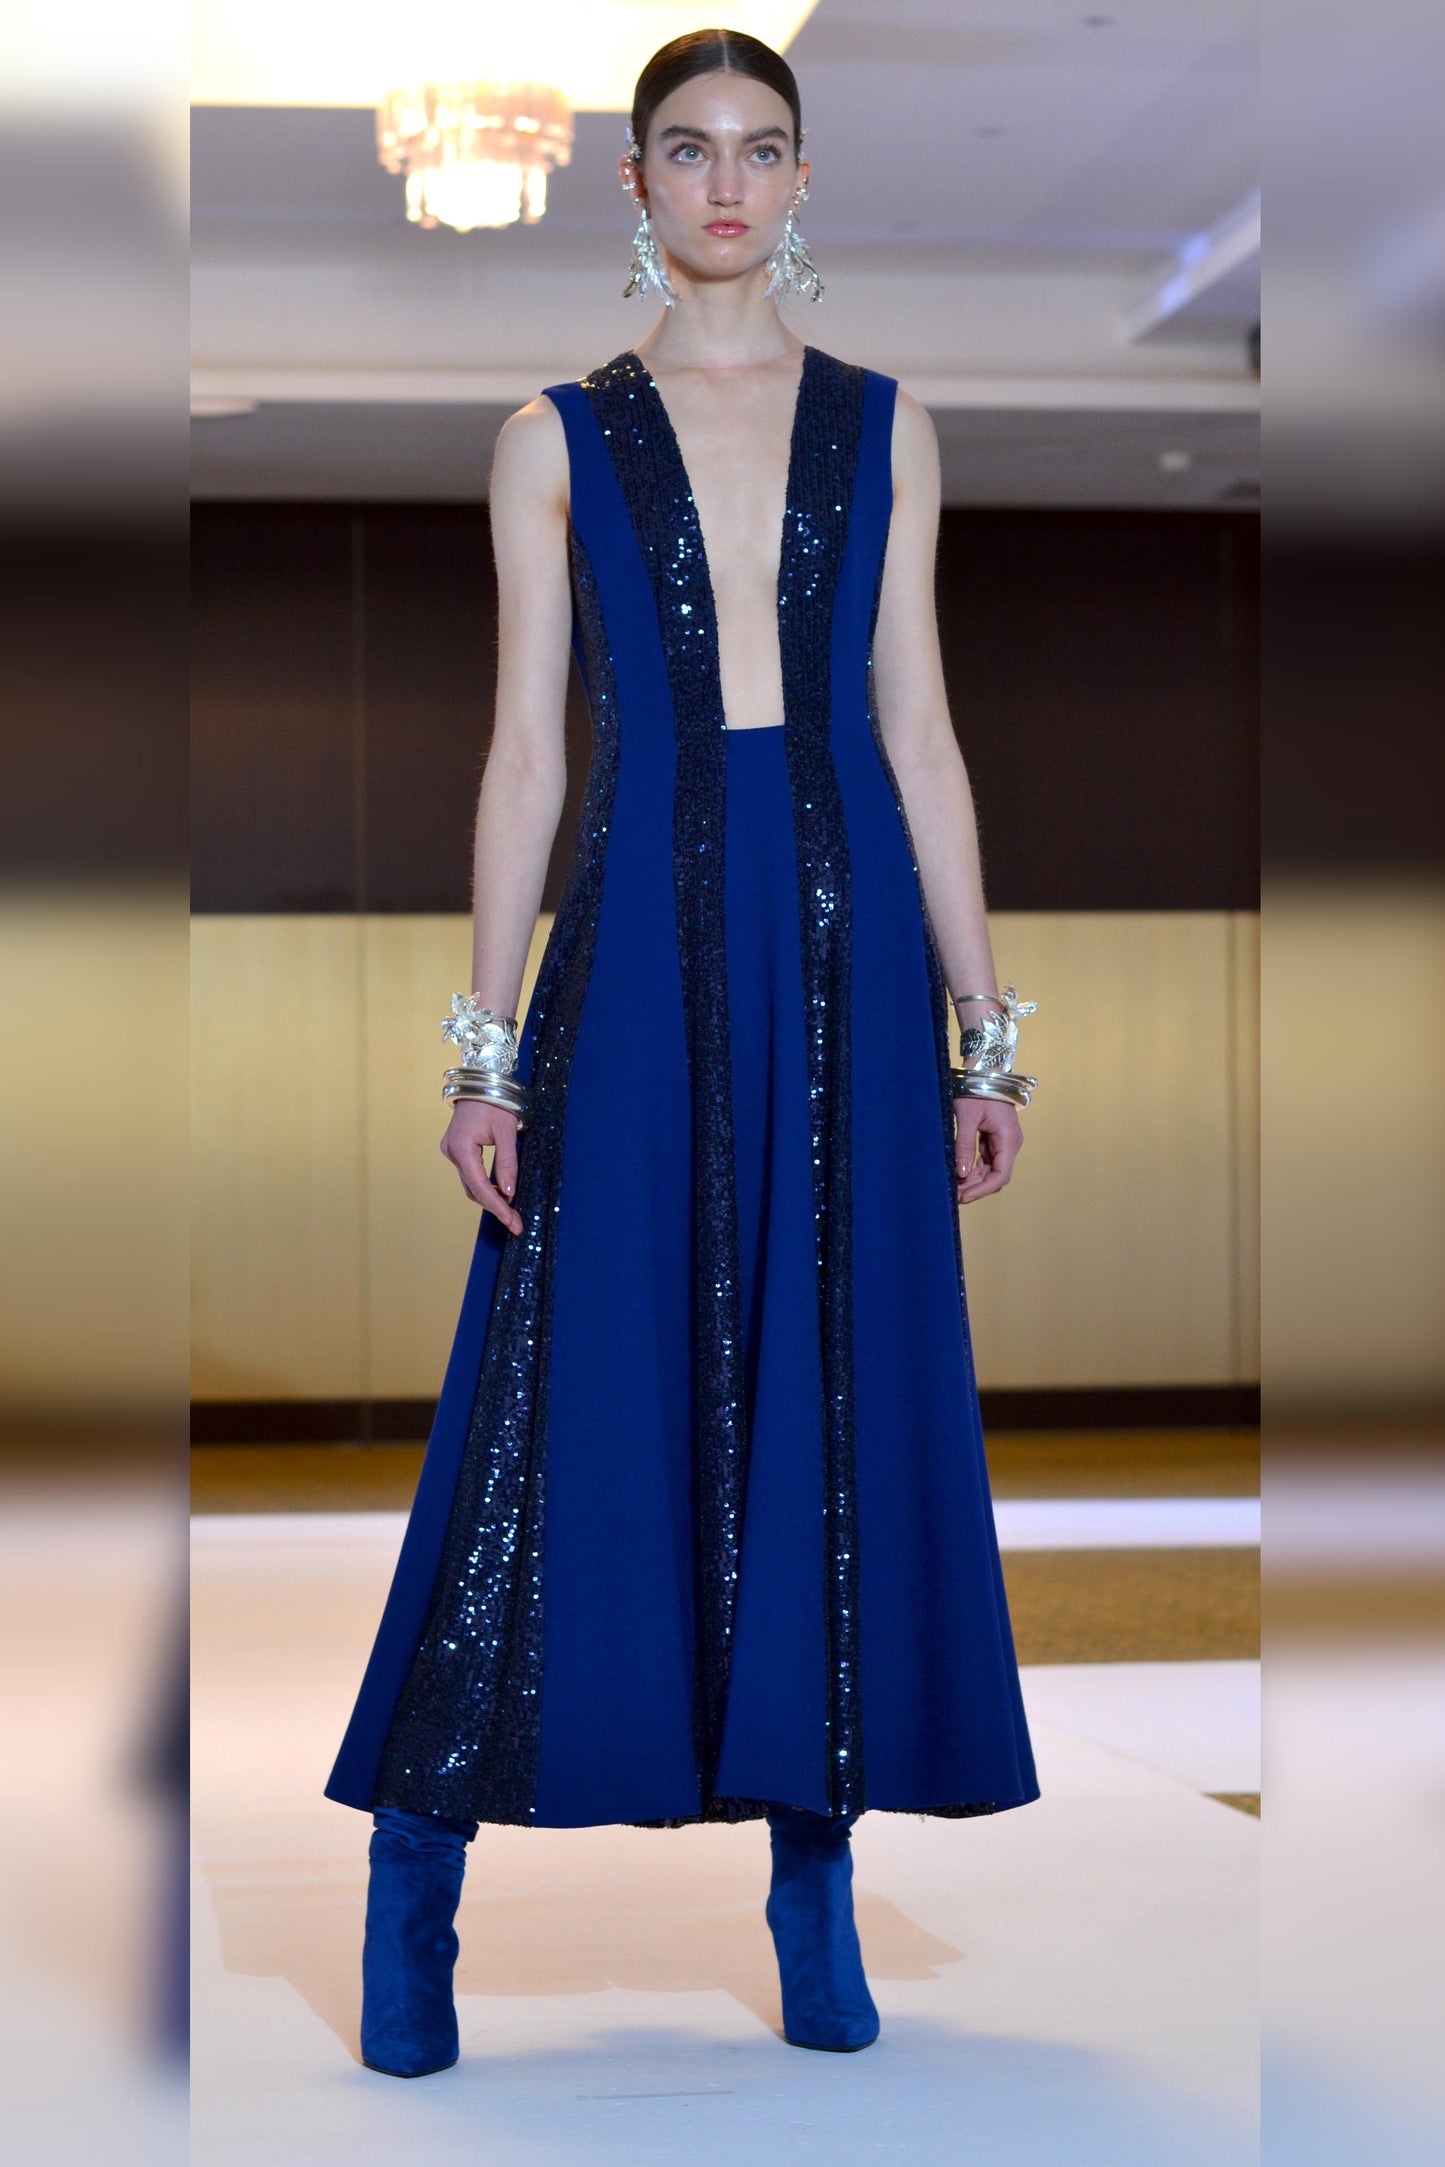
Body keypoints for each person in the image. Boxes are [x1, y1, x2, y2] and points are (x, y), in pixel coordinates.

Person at [324, 27, 1040, 2076]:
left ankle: (814, 1889)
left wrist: (982, 1033)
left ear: (801, 181)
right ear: (630, 182)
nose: (728, 182)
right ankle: (414, 1880)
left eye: (762, 146)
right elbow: (524, 753)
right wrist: (485, 1054)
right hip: (632, 941)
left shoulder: (889, 425)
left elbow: (920, 734)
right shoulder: (550, 437)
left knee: (828, 1392)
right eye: (689, 149)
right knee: (555, 1384)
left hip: (845, 951)